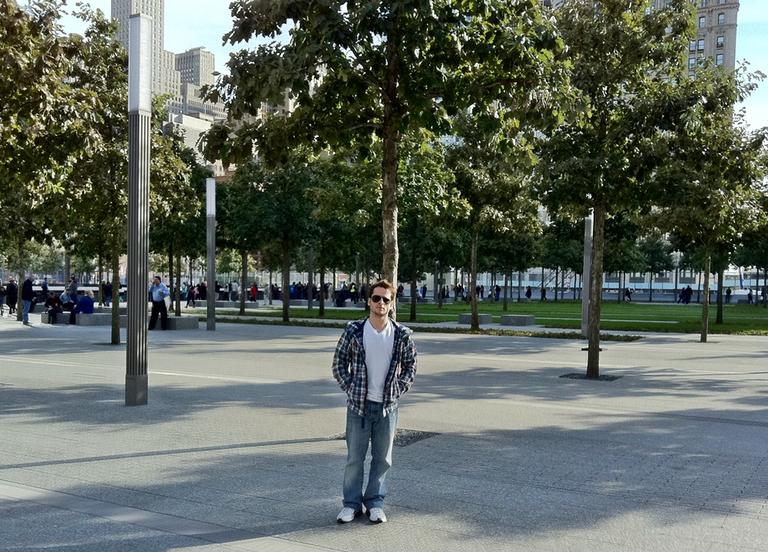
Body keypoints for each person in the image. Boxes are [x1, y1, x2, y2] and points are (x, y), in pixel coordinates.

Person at [332, 279, 417, 525]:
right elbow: (338, 364)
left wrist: (398, 388)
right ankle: (351, 505)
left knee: (383, 459)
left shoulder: (401, 334)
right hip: (358, 406)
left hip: (387, 407)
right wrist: (351, 387)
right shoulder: (354, 331)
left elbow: (410, 366)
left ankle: (375, 503)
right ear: (369, 301)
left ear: (392, 305)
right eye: (376, 298)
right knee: (354, 459)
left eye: (386, 299)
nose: (381, 303)